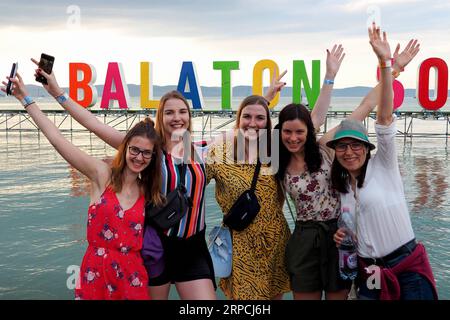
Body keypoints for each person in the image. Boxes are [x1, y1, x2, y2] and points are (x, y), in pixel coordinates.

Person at [28, 57, 216, 299]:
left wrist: (265, 101)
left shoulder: (202, 150)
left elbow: (247, 136)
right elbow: (93, 124)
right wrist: (57, 93)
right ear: (161, 117)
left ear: (190, 116)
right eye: (169, 112)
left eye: (182, 112)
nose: (176, 117)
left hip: (192, 246)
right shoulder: (149, 151)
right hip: (156, 246)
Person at [276, 40, 421, 300]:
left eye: (300, 131)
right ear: (280, 132)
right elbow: (247, 130)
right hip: (303, 236)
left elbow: (365, 107)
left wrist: (394, 68)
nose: (294, 137)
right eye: (287, 131)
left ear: (309, 131)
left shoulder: (325, 148)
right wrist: (264, 98)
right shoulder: (277, 160)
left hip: (338, 234)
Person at [2, 71, 163, 300]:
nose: (139, 157)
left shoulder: (148, 190)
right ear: (125, 148)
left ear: (153, 157)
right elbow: (58, 139)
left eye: (146, 153)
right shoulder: (102, 175)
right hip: (95, 275)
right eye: (134, 149)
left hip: (132, 278)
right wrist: (26, 99)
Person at [330, 23, 438, 300]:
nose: (349, 151)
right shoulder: (342, 187)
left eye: (356, 145)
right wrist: (345, 237)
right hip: (369, 272)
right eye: (342, 146)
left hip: (406, 267)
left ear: (367, 149)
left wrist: (387, 65)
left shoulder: (384, 165)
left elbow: (384, 117)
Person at [206, 93, 291, 300]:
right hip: (239, 243)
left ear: (268, 122)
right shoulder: (220, 152)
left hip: (273, 241)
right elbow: (195, 180)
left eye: (260, 118)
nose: (252, 123)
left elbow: (310, 124)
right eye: (247, 116)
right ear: (238, 119)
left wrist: (329, 78)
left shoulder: (276, 150)